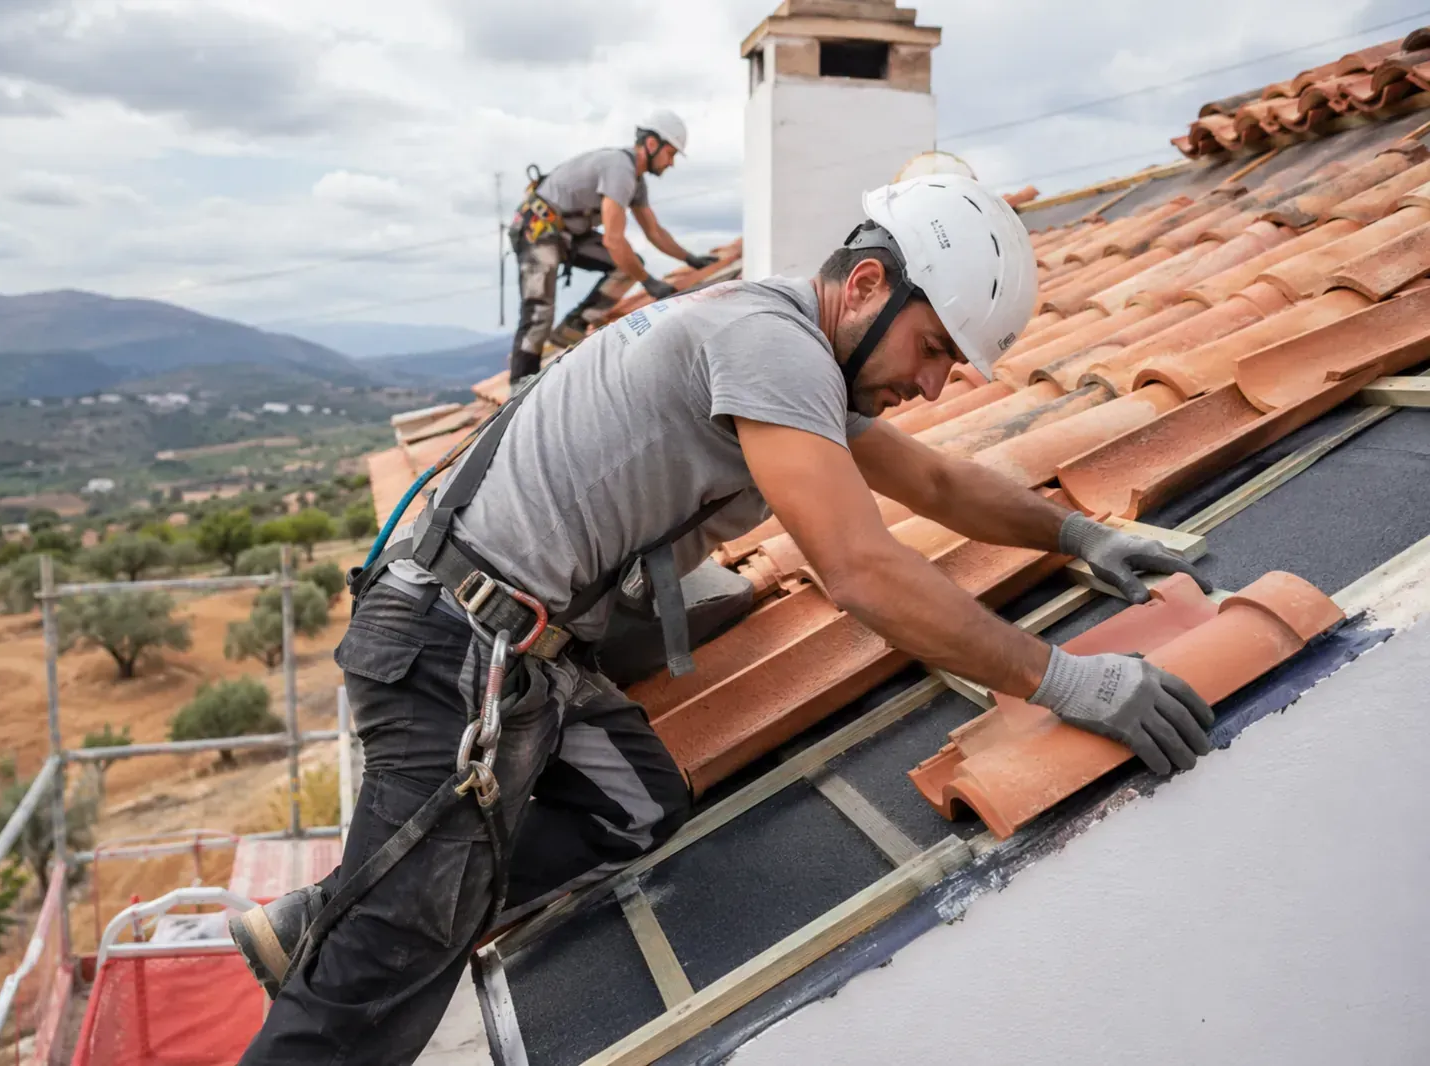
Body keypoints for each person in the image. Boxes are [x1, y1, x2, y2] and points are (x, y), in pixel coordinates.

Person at [233, 174, 1215, 1065]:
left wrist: (1075, 534)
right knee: (374, 988)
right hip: (454, 646)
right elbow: (862, 570)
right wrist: (1072, 679)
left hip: (520, 653)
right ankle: (377, 914)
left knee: (637, 800)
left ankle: (347, 901)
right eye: (933, 350)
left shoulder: (787, 349)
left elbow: (934, 479)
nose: (930, 385)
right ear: (867, 284)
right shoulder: (771, 343)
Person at [506, 109, 720, 385]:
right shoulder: (619, 168)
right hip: (538, 229)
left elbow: (654, 231)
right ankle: (520, 382)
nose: (671, 163)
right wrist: (649, 282)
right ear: (652, 144)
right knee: (539, 308)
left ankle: (573, 326)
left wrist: (689, 258)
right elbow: (614, 240)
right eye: (671, 153)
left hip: (568, 234)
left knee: (629, 265)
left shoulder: (636, 181)